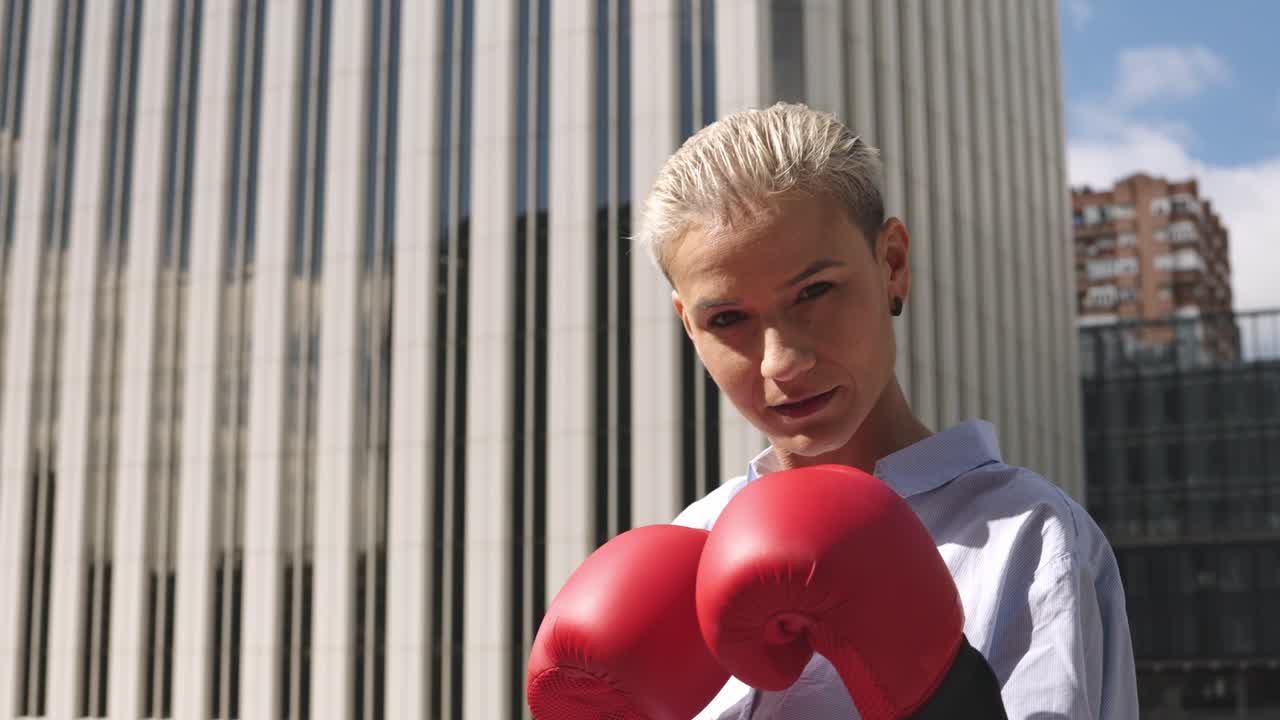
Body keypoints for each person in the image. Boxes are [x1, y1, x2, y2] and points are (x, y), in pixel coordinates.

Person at [636, 102, 1139, 719]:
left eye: (814, 292)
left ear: (892, 265)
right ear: (688, 325)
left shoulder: (1027, 540)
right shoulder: (686, 548)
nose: (780, 362)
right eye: (727, 319)